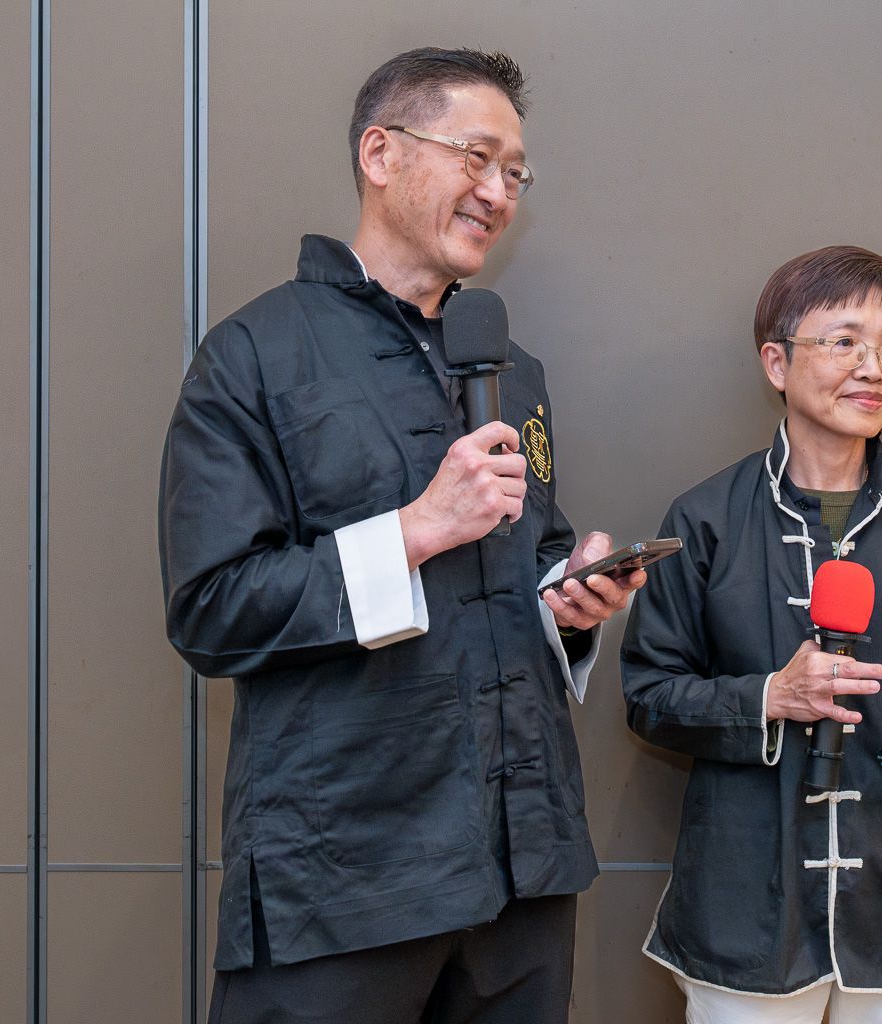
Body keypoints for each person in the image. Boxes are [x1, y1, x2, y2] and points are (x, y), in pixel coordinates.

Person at [159, 47, 642, 1024]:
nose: (498, 190)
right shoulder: (253, 355)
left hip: (526, 868)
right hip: (340, 884)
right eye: (477, 156)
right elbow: (210, 611)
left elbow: (523, 558)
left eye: (515, 171)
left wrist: (571, 597)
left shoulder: (513, 367)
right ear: (380, 153)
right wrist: (415, 531)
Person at [620, 246, 882, 1023]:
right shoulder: (705, 519)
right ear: (776, 362)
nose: (875, 367)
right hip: (747, 891)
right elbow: (650, 696)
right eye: (844, 341)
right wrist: (772, 695)